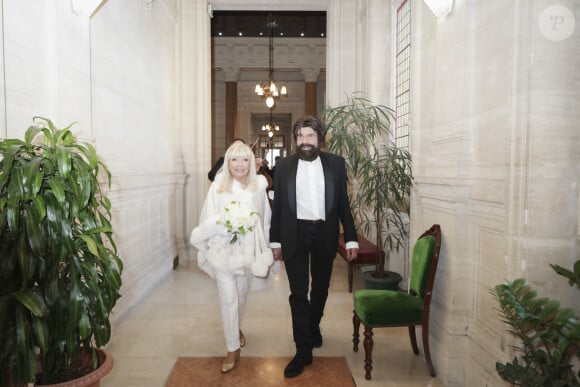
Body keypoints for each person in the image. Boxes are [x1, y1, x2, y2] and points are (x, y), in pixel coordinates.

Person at [269, 116, 359, 378]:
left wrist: (351, 238)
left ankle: (314, 325)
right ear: (295, 139)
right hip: (294, 233)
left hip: (325, 232)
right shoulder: (283, 166)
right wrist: (275, 240)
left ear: (320, 139)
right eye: (300, 136)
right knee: (298, 292)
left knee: (320, 287)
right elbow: (279, 209)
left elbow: (343, 204)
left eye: (310, 136)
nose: (305, 141)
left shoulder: (336, 164)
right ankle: (302, 349)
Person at [190, 142, 274, 373]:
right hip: (223, 251)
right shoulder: (218, 187)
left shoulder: (258, 186)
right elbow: (207, 218)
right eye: (234, 159)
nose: (239, 165)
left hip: (247, 254)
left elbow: (266, 218)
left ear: (251, 162)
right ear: (227, 162)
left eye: (244, 159)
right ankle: (231, 348)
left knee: (241, 296)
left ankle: (235, 329)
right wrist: (226, 225)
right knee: (228, 298)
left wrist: (266, 246)